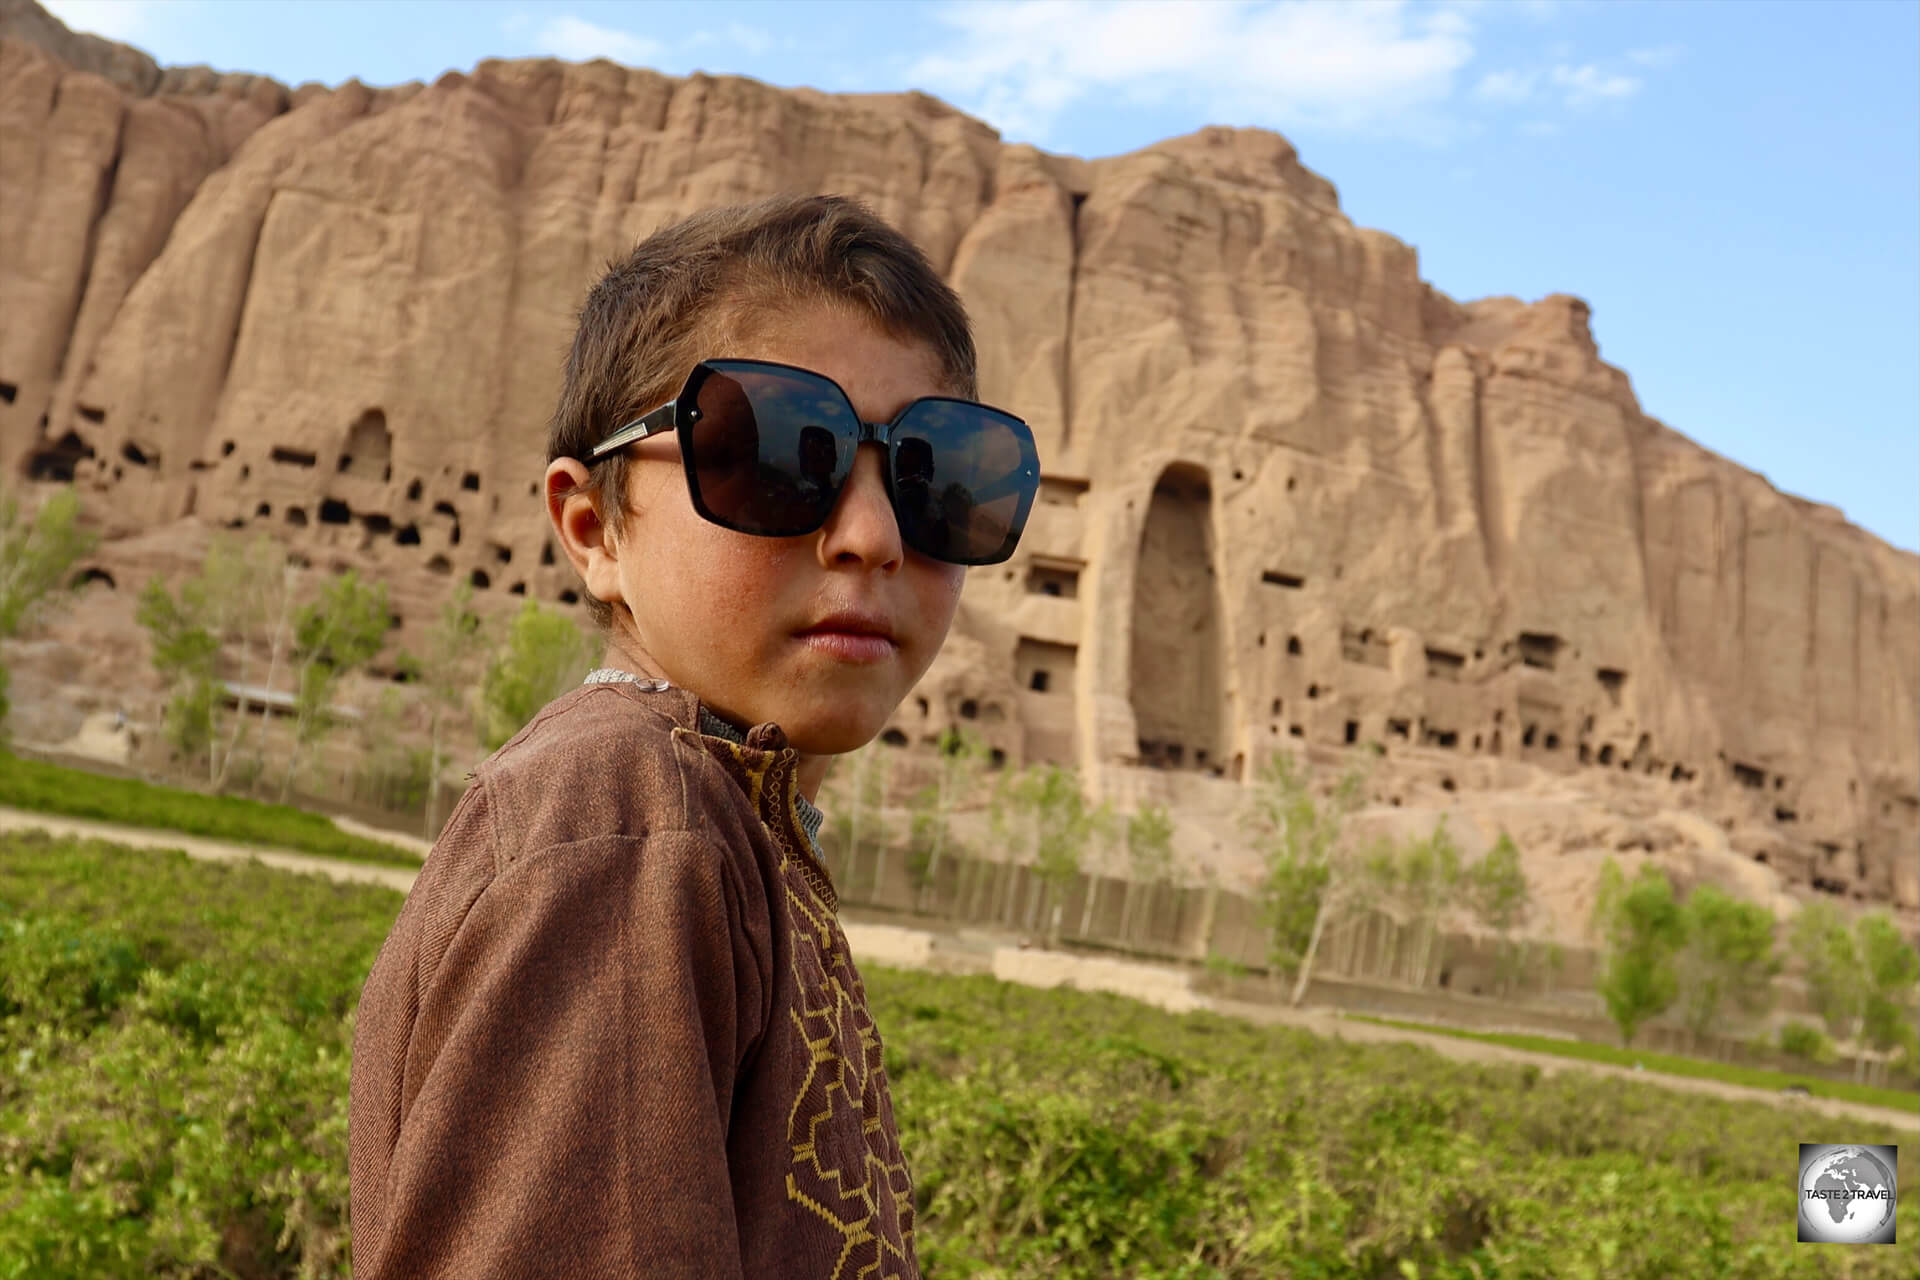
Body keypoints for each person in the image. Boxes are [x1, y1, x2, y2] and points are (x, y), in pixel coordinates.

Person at [347, 194, 1040, 1279]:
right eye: (776, 454)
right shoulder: (628, 821)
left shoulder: (717, 813)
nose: (870, 536)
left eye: (934, 475)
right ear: (594, 529)